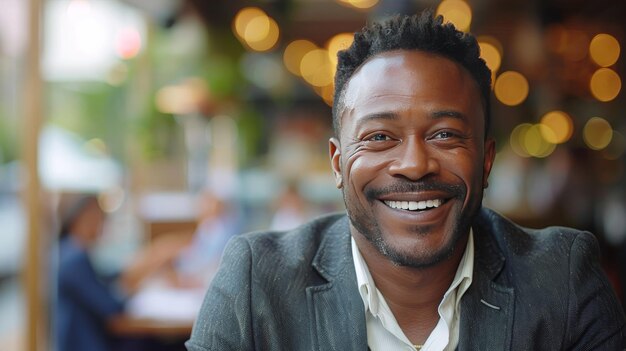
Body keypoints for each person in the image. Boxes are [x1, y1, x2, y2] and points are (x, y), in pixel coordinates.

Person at [186, 11, 625, 351]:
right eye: (379, 137)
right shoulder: (255, 285)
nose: (414, 165)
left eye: (445, 135)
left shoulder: (563, 280)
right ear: (337, 164)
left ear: (486, 161)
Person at [55, 195, 182, 351]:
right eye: (100, 218)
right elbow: (112, 307)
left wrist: (144, 265)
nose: (103, 225)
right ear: (85, 217)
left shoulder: (69, 251)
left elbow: (106, 277)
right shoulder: (75, 259)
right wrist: (135, 286)